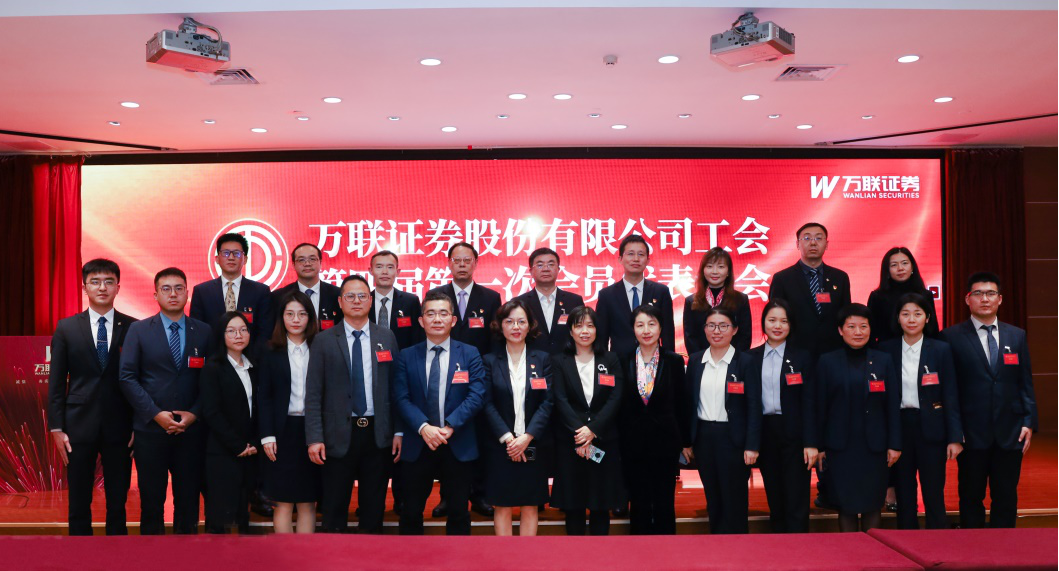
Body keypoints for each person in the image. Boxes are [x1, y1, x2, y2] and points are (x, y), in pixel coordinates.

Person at [118, 267, 212, 535]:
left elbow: (212, 380)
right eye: (166, 289)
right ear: (155, 295)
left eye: (179, 288)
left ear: (187, 293)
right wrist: (155, 414)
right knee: (151, 501)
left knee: (188, 502)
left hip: (191, 432)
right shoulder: (138, 330)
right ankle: (152, 554)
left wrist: (195, 414)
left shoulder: (204, 331)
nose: (173, 294)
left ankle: (187, 553)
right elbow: (127, 377)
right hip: (151, 430)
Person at [305, 275, 401, 534]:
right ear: (340, 302)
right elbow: (313, 393)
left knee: (374, 507)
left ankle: (371, 553)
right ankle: (333, 554)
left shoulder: (386, 337)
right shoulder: (324, 340)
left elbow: (396, 388)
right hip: (336, 435)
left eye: (362, 296)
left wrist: (399, 431)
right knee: (334, 507)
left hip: (377, 434)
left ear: (370, 301)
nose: (356, 301)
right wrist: (314, 438)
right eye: (350, 296)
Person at [47, 259, 137, 536]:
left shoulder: (133, 327)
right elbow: (56, 382)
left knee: (118, 502)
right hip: (77, 426)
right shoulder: (66, 328)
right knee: (78, 500)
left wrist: (138, 424)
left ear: (118, 287)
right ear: (84, 287)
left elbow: (141, 381)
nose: (102, 287)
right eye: (95, 282)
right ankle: (79, 554)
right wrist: (56, 427)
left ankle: (117, 551)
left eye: (109, 282)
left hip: (120, 426)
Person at [942, 272, 1037, 529]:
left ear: (1000, 299)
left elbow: (1025, 382)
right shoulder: (951, 337)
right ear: (968, 299)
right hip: (971, 433)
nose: (985, 299)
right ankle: (973, 548)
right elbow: (949, 390)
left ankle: (1004, 548)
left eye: (991, 293)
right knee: (971, 496)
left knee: (1005, 496)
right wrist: (955, 431)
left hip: (1010, 431)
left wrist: (1028, 422)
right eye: (978, 293)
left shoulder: (1016, 335)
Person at [391, 290, 488, 535]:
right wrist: (424, 427)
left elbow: (477, 395)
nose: (437, 319)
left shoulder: (470, 353)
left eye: (443, 313)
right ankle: (410, 555)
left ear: (453, 320)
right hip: (418, 441)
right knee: (411, 511)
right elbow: (401, 398)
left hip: (457, 441)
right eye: (431, 313)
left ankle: (458, 555)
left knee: (458, 512)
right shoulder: (406, 356)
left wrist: (450, 426)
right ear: (421, 320)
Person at [425, 241, 500, 517]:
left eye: (467, 260)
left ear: (475, 263)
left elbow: (495, 341)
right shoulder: (435, 295)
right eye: (456, 260)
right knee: (448, 439)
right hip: (443, 378)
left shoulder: (490, 298)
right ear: (448, 263)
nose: (462, 265)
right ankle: (448, 497)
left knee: (477, 438)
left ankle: (479, 494)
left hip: (478, 380)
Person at [879, 293, 963, 529]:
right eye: (905, 314)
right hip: (899, 427)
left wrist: (955, 437)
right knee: (904, 491)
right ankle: (907, 539)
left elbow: (950, 394)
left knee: (933, 490)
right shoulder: (885, 350)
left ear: (927, 318)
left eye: (917, 314)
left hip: (932, 427)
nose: (911, 319)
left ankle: (937, 538)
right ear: (898, 318)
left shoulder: (941, 349)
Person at [816, 303, 901, 532]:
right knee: (846, 505)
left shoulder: (883, 360)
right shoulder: (827, 361)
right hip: (840, 447)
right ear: (840, 330)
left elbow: (892, 405)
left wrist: (894, 444)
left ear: (870, 329)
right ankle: (850, 551)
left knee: (873, 504)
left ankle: (873, 551)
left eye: (863, 326)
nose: (858, 332)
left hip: (875, 446)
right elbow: (820, 407)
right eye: (851, 326)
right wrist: (820, 446)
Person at [550, 306, 626, 535]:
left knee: (601, 504)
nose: (585, 331)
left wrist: (593, 430)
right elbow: (560, 399)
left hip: (603, 440)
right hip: (571, 441)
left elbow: (615, 397)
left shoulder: (610, 359)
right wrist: (580, 432)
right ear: (570, 331)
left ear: (597, 330)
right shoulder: (559, 361)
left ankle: (600, 552)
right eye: (579, 326)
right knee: (573, 505)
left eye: (590, 326)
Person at [683, 308, 761, 534]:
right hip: (704, 437)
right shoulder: (696, 360)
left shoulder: (745, 362)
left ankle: (738, 546)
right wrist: (687, 441)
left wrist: (752, 445)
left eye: (723, 326)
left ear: (734, 330)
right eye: (711, 325)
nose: (717, 331)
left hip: (733, 439)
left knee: (734, 497)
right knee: (713, 496)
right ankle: (717, 543)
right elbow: (688, 404)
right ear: (705, 329)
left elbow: (754, 406)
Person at [480, 299, 554, 536]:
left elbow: (547, 402)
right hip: (500, 445)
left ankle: (527, 556)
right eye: (509, 321)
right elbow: (486, 403)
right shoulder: (489, 361)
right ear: (500, 325)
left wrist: (527, 437)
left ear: (530, 326)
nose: (515, 327)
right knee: (501, 505)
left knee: (530, 504)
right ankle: (505, 556)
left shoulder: (542, 359)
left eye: (521, 322)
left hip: (533, 444)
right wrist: (508, 438)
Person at [747, 298, 818, 534]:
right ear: (763, 323)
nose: (777, 326)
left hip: (795, 434)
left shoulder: (802, 357)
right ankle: (779, 545)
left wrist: (811, 442)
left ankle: (799, 545)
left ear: (791, 325)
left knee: (796, 496)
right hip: (766, 432)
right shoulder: (750, 358)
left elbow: (809, 402)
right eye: (772, 320)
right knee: (774, 495)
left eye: (784, 321)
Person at [618, 304, 687, 535]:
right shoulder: (623, 360)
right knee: (638, 501)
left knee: (664, 500)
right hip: (633, 442)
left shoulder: (674, 361)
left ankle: (667, 549)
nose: (646, 330)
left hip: (665, 441)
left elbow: (681, 403)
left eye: (651, 324)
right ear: (633, 329)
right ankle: (639, 549)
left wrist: (685, 441)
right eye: (640, 325)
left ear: (660, 328)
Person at [258, 290, 322, 534]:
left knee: (308, 501)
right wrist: (267, 435)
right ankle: (286, 554)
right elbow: (264, 397)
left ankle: (306, 554)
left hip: (313, 431)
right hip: (281, 432)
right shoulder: (269, 350)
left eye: (302, 314)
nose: (296, 320)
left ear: (310, 318)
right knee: (283, 502)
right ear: (281, 317)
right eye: (290, 314)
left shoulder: (321, 347)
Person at [200, 312, 258, 534]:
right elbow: (212, 412)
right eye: (231, 331)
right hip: (222, 452)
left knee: (243, 516)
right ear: (221, 335)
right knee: (221, 517)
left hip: (250, 451)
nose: (238, 335)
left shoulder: (254, 366)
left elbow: (259, 408)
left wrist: (253, 443)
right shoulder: (213, 368)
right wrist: (237, 445)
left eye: (243, 330)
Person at [769, 222, 852, 358]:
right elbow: (775, 316)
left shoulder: (840, 277)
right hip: (795, 351)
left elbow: (846, 315)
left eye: (818, 238)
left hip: (834, 351)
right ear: (797, 244)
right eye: (807, 238)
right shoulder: (782, 278)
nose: (813, 243)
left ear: (827, 244)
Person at [190, 232, 274, 354]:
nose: (231, 257)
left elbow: (265, 331)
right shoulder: (201, 291)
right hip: (213, 359)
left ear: (245, 259)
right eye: (225, 253)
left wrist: (251, 359)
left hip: (250, 359)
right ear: (217, 259)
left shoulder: (261, 291)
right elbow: (197, 330)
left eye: (236, 253)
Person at [596, 234, 675, 356]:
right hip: (619, 362)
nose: (636, 259)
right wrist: (603, 364)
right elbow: (602, 337)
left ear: (648, 260)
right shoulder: (607, 295)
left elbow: (668, 334)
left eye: (641, 254)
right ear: (620, 259)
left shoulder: (661, 292)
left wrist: (669, 362)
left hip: (653, 362)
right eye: (631, 254)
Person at [516, 247, 585, 356]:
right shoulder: (519, 303)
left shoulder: (574, 301)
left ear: (558, 269)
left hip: (567, 361)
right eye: (540, 265)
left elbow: (582, 332)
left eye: (551, 264)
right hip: (532, 362)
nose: (545, 269)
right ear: (531, 271)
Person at [684, 248, 752, 354]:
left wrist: (734, 360)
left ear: (728, 271)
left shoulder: (740, 299)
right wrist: (701, 360)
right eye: (709, 266)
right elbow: (690, 337)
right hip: (702, 360)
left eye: (721, 267)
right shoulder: (691, 301)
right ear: (703, 270)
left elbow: (745, 336)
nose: (714, 271)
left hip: (734, 360)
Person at [867, 247, 939, 345]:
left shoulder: (925, 295)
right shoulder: (877, 297)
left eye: (905, 263)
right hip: (886, 351)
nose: (900, 268)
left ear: (912, 267)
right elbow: (871, 332)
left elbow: (932, 329)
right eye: (894, 265)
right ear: (887, 270)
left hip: (920, 349)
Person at [270, 242, 342, 334]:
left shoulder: (337, 294)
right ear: (293, 265)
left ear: (320, 262)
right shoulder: (278, 297)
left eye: (312, 259)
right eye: (301, 260)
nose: (307, 263)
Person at [369, 250, 425, 351]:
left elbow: (418, 337)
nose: (384, 272)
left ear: (397, 272)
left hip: (402, 358)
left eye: (390, 267)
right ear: (371, 271)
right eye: (379, 267)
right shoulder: (363, 301)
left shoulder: (411, 302)